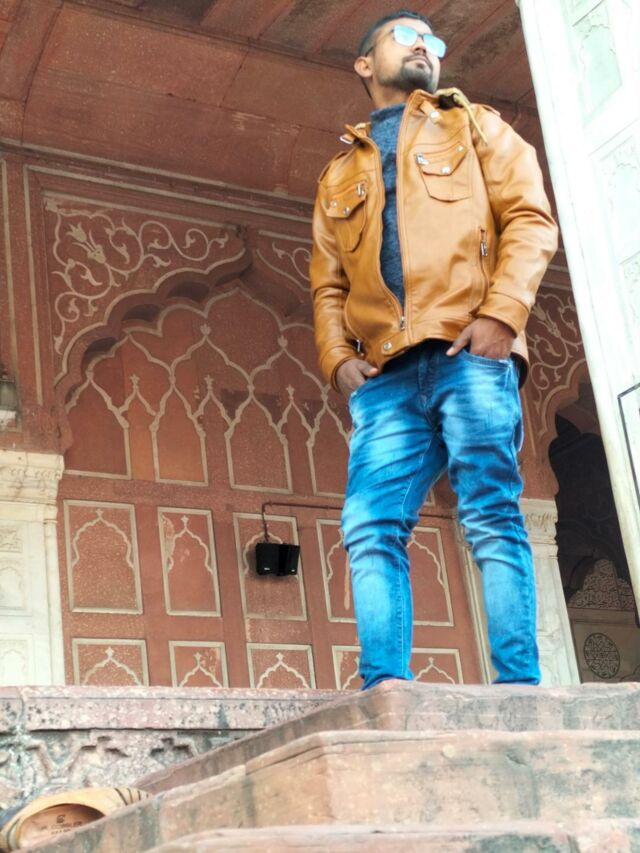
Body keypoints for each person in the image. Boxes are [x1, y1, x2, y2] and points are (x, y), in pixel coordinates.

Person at [309, 9, 558, 689]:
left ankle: (518, 687)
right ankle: (384, 687)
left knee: (490, 512)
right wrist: (337, 358)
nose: (424, 44)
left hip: (467, 350)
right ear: (365, 63)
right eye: (406, 35)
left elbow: (530, 220)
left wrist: (502, 316)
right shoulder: (338, 174)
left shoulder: (475, 126)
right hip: (386, 373)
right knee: (369, 524)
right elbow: (328, 281)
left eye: (433, 39)